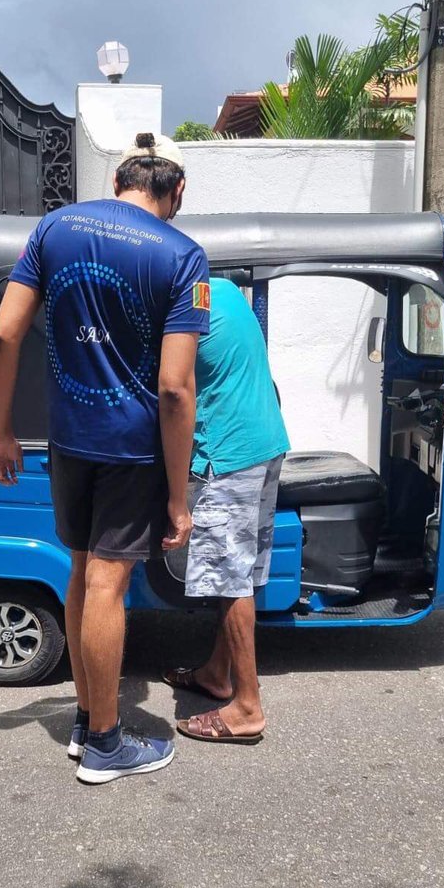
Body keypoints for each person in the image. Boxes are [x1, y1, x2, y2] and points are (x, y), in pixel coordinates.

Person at [0, 133, 209, 784]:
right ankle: (108, 745)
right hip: (129, 448)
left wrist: (2, 432)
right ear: (177, 190)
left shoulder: (53, 229)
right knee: (110, 585)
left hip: (68, 440)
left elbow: (3, 335)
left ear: (118, 179)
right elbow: (174, 387)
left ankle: (87, 721)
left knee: (81, 575)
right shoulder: (183, 256)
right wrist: (176, 496)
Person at [163, 277, 290, 743]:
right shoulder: (223, 291)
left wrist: (176, 494)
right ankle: (218, 673)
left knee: (228, 577)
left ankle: (247, 708)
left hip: (228, 456)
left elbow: (172, 393)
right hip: (265, 443)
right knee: (244, 571)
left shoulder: (177, 309)